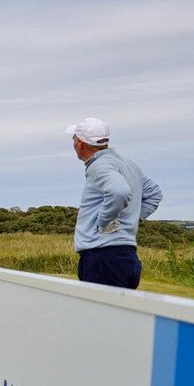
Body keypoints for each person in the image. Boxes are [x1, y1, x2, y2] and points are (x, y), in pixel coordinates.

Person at [65, 118, 162, 289]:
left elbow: (119, 191)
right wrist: (133, 218)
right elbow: (154, 194)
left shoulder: (99, 166)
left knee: (97, 307)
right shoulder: (127, 164)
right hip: (126, 256)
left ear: (80, 144)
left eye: (74, 138)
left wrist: (104, 222)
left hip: (103, 258)